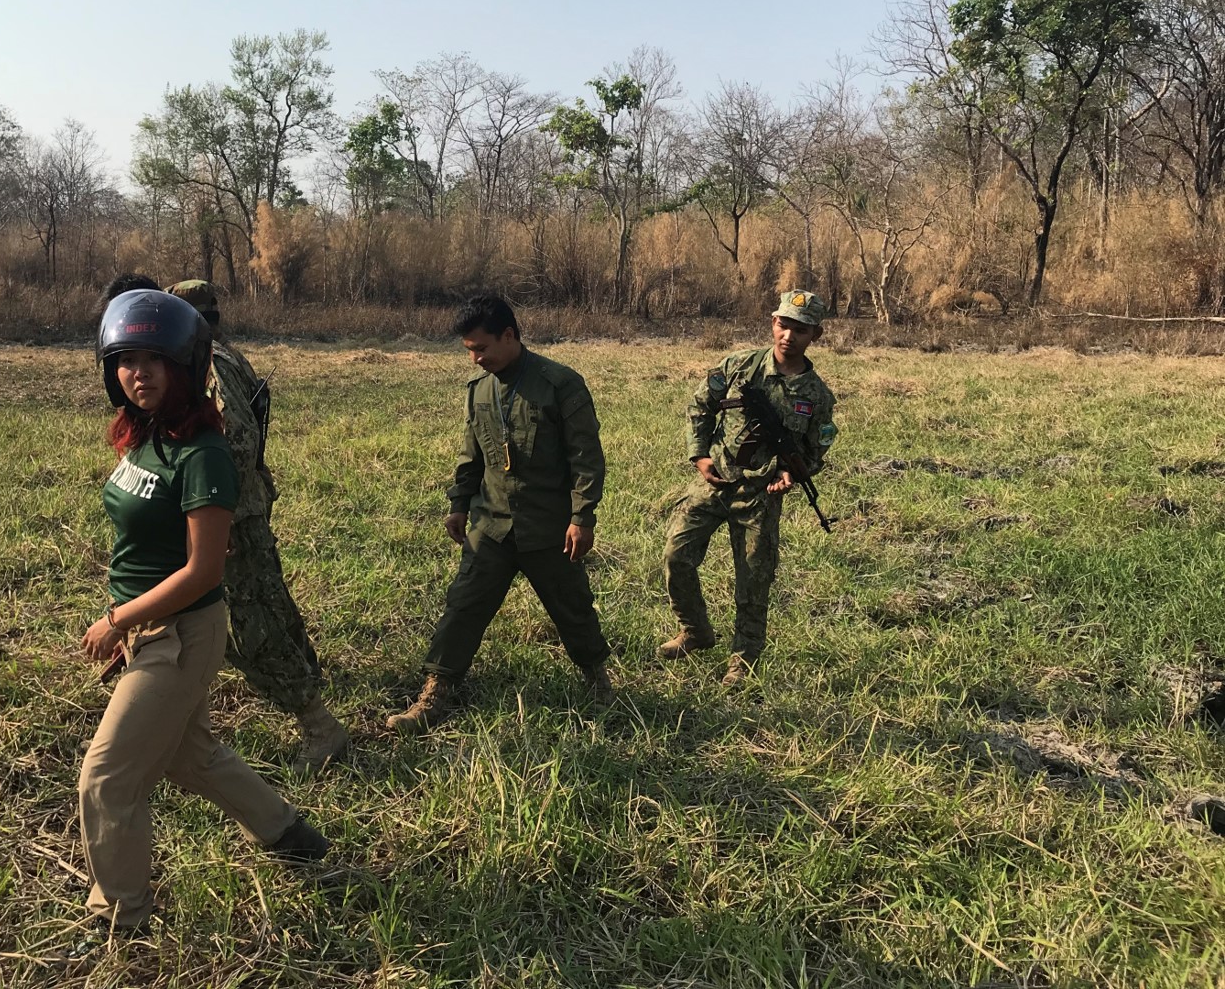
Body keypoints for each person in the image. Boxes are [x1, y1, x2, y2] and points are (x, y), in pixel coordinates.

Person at [77, 289, 329, 939]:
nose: (140, 372)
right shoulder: (146, 434)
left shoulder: (204, 451)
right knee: (191, 758)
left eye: (156, 359)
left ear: (187, 365)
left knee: (107, 777)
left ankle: (120, 915)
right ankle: (288, 831)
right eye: (127, 359)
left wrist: (119, 619)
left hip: (181, 633)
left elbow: (202, 571)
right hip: (149, 627)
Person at [387, 294, 615, 735]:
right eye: (469, 350)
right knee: (463, 605)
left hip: (549, 527)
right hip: (491, 523)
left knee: (573, 607)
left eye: (481, 348)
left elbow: (587, 457)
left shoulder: (560, 384)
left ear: (509, 335)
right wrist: (458, 504)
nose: (475, 359)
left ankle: (598, 681)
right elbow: (471, 454)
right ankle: (436, 691)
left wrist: (582, 517)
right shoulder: (480, 391)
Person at [162, 279, 349, 774]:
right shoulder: (223, 353)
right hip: (242, 509)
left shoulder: (211, 365)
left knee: (248, 626)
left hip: (231, 516)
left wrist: (210, 507)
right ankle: (308, 676)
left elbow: (239, 441)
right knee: (269, 600)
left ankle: (318, 724)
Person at [659, 289, 838, 686]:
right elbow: (700, 403)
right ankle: (695, 631)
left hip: (760, 497)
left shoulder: (818, 397)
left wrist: (793, 475)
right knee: (676, 555)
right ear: (773, 323)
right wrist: (699, 455)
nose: (789, 335)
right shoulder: (740, 366)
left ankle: (744, 661)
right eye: (783, 324)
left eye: (801, 329)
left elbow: (815, 450)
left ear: (816, 336)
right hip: (716, 480)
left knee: (754, 583)